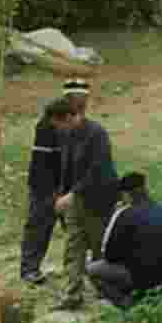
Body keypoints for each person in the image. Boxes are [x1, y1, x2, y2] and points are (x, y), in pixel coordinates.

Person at [54, 80, 120, 311]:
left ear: (71, 117)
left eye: (61, 125)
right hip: (75, 199)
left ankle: (107, 293)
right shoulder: (67, 135)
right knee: (73, 247)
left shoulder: (97, 134)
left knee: (99, 246)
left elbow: (98, 169)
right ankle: (73, 294)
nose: (59, 130)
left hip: (99, 198)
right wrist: (62, 194)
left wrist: (73, 194)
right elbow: (67, 168)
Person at [88, 172, 162, 309]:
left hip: (144, 278)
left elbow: (109, 255)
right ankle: (152, 299)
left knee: (92, 269)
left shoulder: (124, 213)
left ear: (126, 194)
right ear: (145, 189)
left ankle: (127, 303)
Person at [19, 97, 66, 284]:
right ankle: (29, 269)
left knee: (76, 227)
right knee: (39, 227)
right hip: (44, 188)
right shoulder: (45, 130)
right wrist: (51, 192)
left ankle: (82, 266)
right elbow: (41, 166)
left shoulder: (66, 128)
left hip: (64, 187)